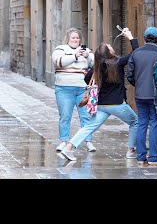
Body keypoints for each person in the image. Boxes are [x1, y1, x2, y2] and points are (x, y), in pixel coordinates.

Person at [59, 28, 139, 161]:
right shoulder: (117, 63)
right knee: (135, 122)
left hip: (101, 105)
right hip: (117, 104)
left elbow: (86, 79)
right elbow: (136, 53)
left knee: (88, 127)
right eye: (110, 48)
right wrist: (130, 36)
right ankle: (131, 150)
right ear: (109, 53)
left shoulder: (96, 67)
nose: (112, 48)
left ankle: (69, 148)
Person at [127, 27, 157, 165]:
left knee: (142, 123)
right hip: (155, 95)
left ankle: (141, 156)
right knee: (154, 123)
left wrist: (139, 84)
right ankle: (153, 156)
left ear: (144, 38)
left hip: (140, 94)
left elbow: (129, 75)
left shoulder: (136, 53)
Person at [51, 27, 96, 153]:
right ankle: (63, 141)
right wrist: (75, 55)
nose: (76, 40)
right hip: (64, 88)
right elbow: (59, 62)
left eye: (77, 38)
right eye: (73, 37)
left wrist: (87, 56)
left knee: (86, 116)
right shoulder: (60, 49)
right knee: (65, 115)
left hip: (83, 89)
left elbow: (95, 64)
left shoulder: (86, 50)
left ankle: (88, 141)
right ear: (68, 39)